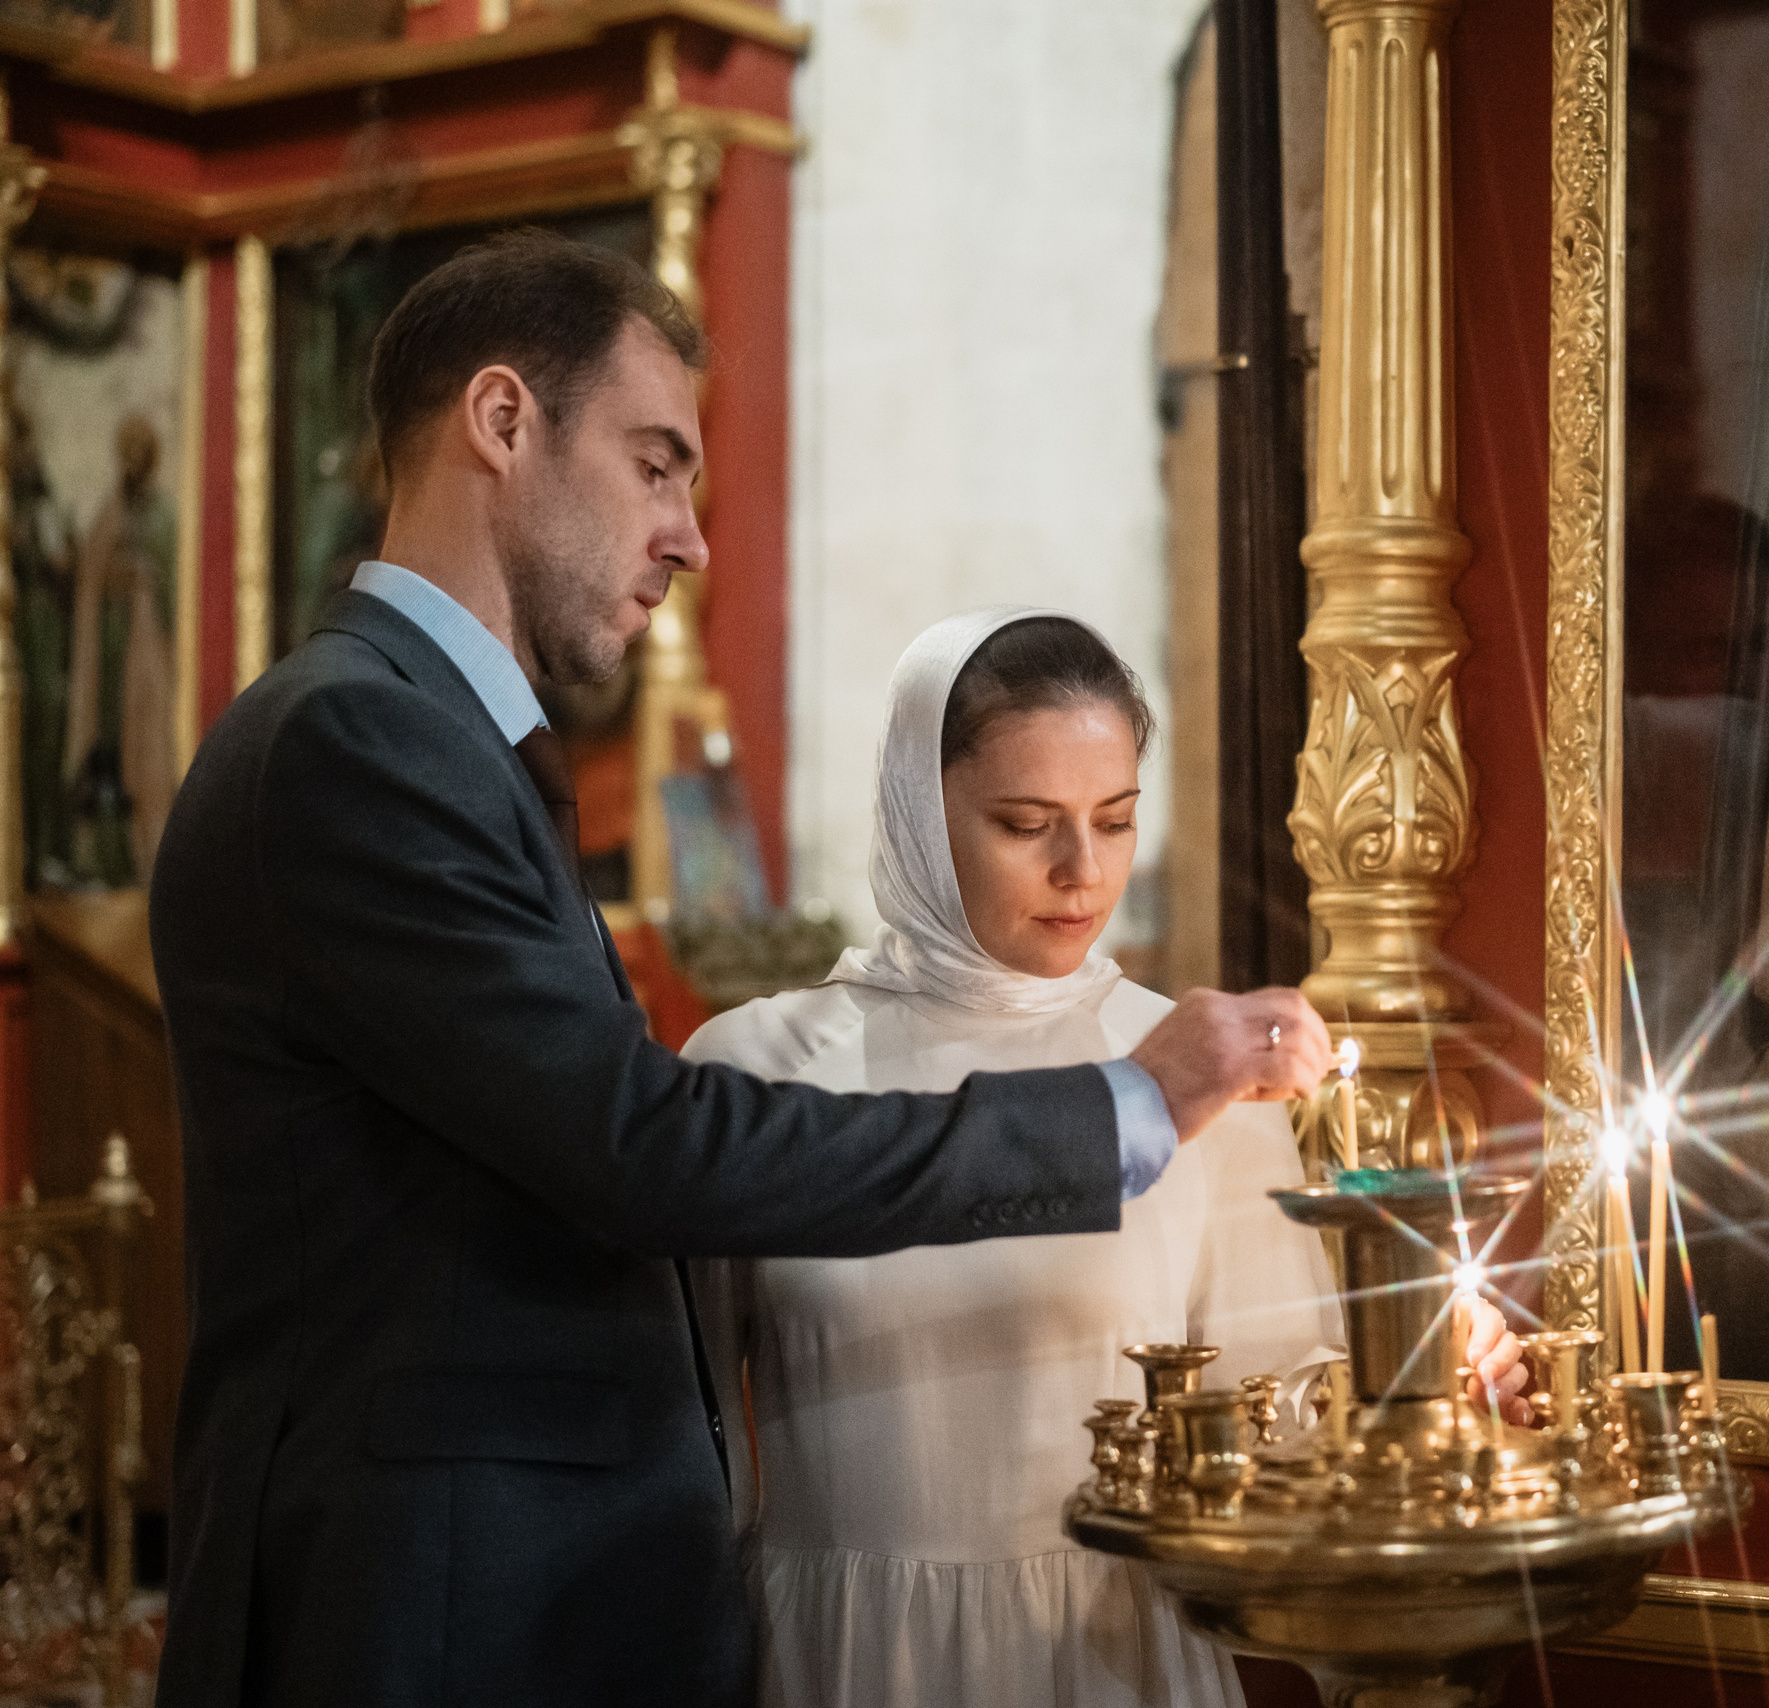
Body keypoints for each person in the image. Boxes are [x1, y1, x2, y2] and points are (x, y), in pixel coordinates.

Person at [146, 230, 1333, 1708]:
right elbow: (637, 1145)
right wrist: (1120, 1111)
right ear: (504, 423)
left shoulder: (436, 739)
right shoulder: (360, 741)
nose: (690, 534)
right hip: (429, 1612)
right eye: (656, 464)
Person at [685, 608, 1528, 1707]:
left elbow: (1275, 1432)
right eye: (1025, 822)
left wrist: (1428, 1401)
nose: (1083, 871)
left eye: (1117, 819)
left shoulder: (1188, 1073)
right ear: (916, 808)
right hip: (843, 1661)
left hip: (1106, 1661)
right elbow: (678, 1459)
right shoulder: (756, 1065)